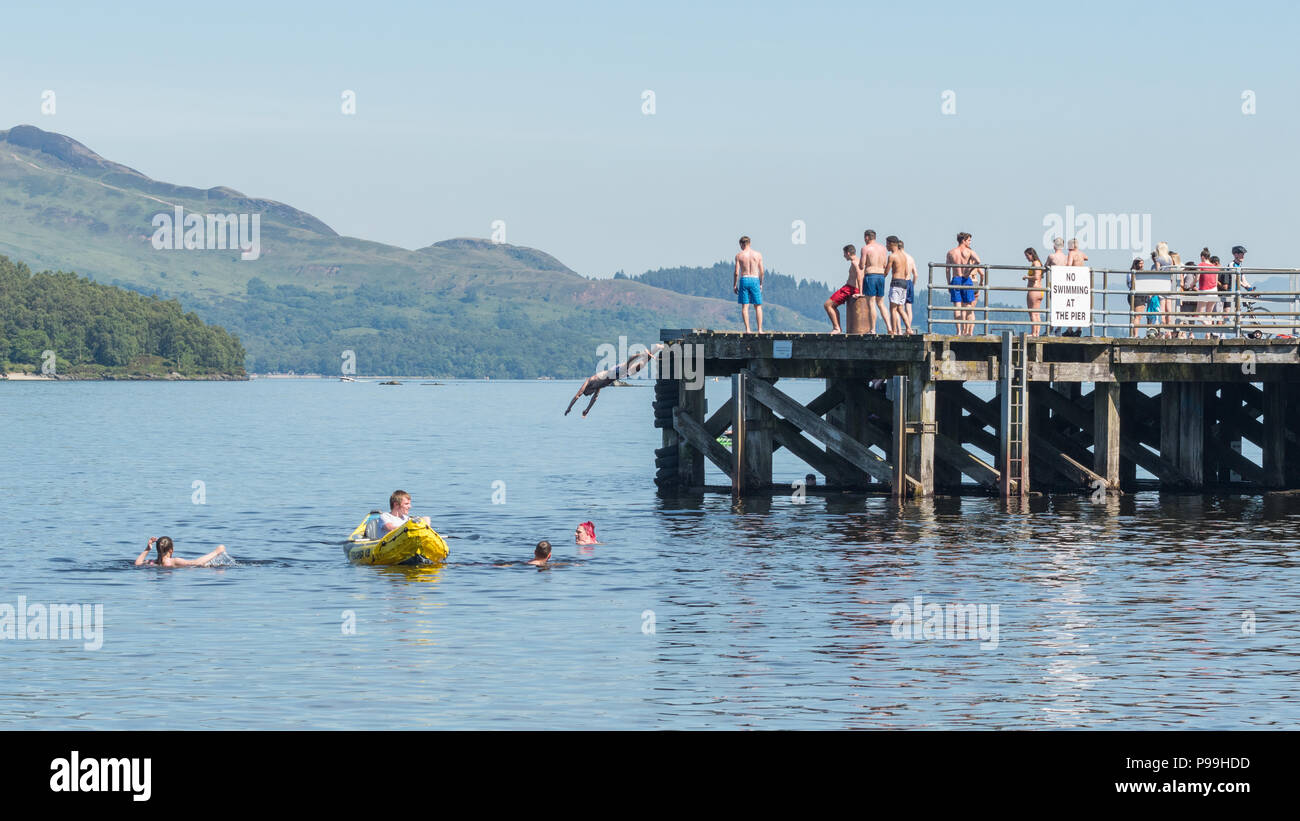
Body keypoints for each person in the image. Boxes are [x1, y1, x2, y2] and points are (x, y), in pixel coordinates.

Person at [565, 342, 666, 417]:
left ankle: (641, 354)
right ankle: (656, 348)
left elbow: (577, 395)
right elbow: (594, 398)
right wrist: (587, 410)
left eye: (587, 394)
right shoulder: (597, 387)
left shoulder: (589, 381)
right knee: (640, 367)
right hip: (618, 376)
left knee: (628, 364)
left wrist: (569, 408)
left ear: (587, 390)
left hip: (613, 372)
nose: (589, 395)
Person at [946, 232, 982, 335]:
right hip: (966, 279)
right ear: (964, 240)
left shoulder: (951, 252)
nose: (970, 242)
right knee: (968, 306)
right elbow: (978, 261)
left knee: (957, 306)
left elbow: (948, 269)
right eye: (969, 240)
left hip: (956, 278)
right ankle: (967, 331)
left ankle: (959, 331)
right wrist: (969, 270)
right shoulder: (969, 252)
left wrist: (948, 283)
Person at [824, 245, 864, 334]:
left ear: (848, 253)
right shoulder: (860, 261)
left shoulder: (854, 262)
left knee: (827, 305)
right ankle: (837, 328)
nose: (844, 256)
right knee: (832, 306)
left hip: (850, 289)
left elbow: (859, 276)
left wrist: (860, 292)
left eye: (844, 253)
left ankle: (837, 328)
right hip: (850, 288)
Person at [859, 230, 889, 333]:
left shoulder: (865, 249)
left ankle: (872, 329)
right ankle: (889, 327)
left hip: (871, 275)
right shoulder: (883, 249)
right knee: (881, 303)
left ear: (867, 237)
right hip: (881, 276)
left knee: (871, 303)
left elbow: (861, 265)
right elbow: (885, 264)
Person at [733, 236, 764, 333]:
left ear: (741, 244)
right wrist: (760, 283)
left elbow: (736, 272)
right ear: (749, 243)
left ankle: (748, 329)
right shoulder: (758, 255)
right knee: (757, 306)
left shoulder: (739, 256)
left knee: (745, 306)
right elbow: (762, 272)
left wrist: (734, 285)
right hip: (755, 279)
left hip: (744, 279)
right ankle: (759, 329)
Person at [135, 536, 227, 567]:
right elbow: (196, 563)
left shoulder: (152, 562)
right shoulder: (174, 561)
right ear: (171, 550)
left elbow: (137, 564)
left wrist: (147, 549)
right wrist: (216, 552)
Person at [884, 236, 912, 335]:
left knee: (893, 308)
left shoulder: (892, 256)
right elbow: (906, 271)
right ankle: (909, 329)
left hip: (896, 282)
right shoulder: (903, 256)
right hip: (904, 282)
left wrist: (881, 275)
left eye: (887, 244)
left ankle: (893, 331)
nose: (886, 246)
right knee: (900, 308)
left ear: (892, 244)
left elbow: (886, 271)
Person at [1024, 248, 1045, 336]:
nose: (1027, 258)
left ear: (1031, 254)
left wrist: (1027, 277)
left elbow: (1036, 277)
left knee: (1032, 312)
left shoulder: (1036, 263)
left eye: (1027, 256)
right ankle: (1037, 333)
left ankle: (1034, 332)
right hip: (1039, 291)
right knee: (1036, 313)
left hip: (1034, 290)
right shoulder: (1038, 263)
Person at [1127, 258, 1145, 337]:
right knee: (1137, 316)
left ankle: (1134, 334)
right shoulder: (1131, 273)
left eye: (1142, 263)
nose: (1142, 265)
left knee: (1138, 316)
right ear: (1136, 264)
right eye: (1140, 263)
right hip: (1136, 294)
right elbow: (1131, 284)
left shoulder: (1143, 273)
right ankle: (1135, 335)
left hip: (1142, 294)